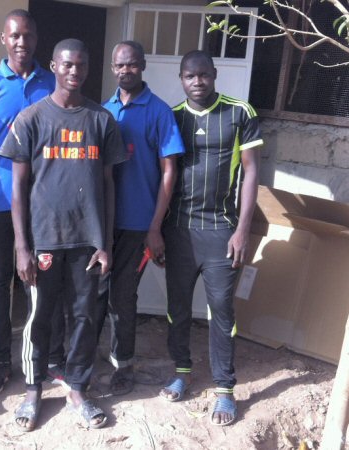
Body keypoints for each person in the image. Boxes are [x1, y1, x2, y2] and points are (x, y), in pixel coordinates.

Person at [0, 38, 127, 431]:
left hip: (86, 243)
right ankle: (33, 390)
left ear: (89, 69)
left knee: (86, 318)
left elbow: (108, 186)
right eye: (68, 65)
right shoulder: (31, 119)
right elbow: (17, 189)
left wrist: (104, 243)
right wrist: (22, 247)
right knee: (39, 319)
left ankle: (77, 388)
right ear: (53, 66)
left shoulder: (101, 120)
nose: (75, 72)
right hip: (44, 241)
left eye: (82, 65)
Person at [0, 9, 66, 396]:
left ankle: (47, 359)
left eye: (28, 35)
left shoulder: (51, 84)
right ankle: (2, 363)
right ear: (3, 40)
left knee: (45, 283)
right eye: (15, 36)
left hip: (44, 206)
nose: (22, 42)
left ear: (37, 39)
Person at [159, 50, 262, 427]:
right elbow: (164, 176)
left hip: (221, 230)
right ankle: (182, 371)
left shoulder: (240, 113)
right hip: (180, 231)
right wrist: (156, 230)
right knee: (178, 308)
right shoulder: (171, 118)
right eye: (189, 76)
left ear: (214, 75)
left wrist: (242, 230)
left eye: (203, 75)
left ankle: (224, 389)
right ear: (181, 79)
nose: (197, 81)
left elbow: (251, 175)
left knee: (222, 311)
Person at [97, 41, 185, 396]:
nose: (125, 71)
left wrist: (154, 227)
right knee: (93, 295)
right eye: (120, 65)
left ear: (143, 66)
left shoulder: (159, 112)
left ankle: (123, 364)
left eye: (132, 65)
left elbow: (169, 171)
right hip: (103, 224)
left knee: (123, 295)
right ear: (113, 68)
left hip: (138, 224)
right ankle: (85, 360)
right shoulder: (104, 112)